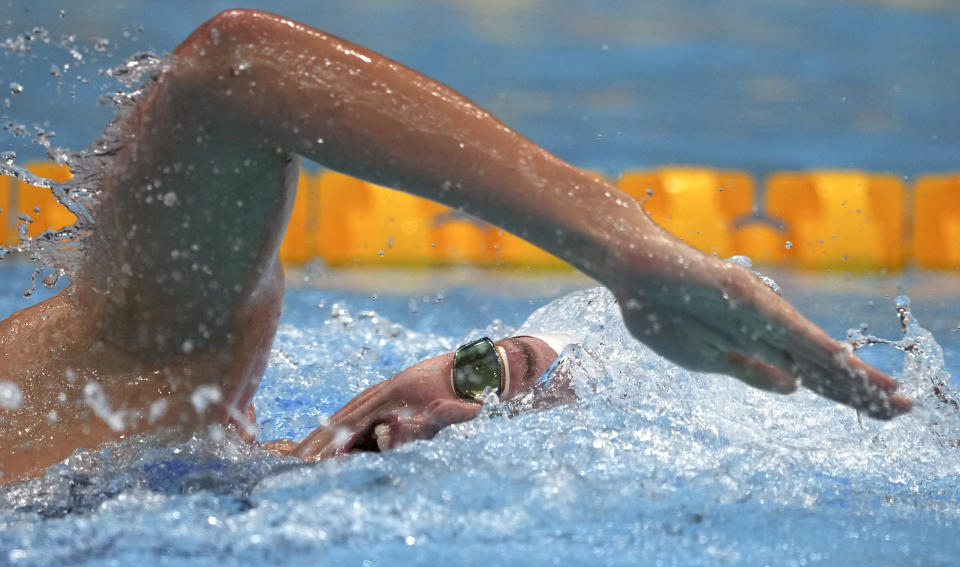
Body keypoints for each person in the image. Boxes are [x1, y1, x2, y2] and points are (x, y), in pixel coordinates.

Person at [0, 9, 909, 485]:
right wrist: (630, 253)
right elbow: (233, 74)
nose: (451, 425)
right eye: (486, 376)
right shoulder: (153, 385)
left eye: (496, 457)